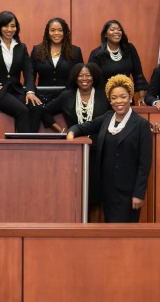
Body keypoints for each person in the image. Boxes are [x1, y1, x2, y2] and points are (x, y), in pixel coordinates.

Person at [67, 74, 152, 223]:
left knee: (125, 233)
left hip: (128, 193)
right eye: (114, 98)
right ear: (110, 100)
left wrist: (139, 194)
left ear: (130, 97)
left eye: (123, 97)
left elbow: (144, 164)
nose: (119, 101)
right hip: (106, 190)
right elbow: (83, 127)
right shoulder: (107, 118)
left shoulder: (141, 124)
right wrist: (71, 132)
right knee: (110, 230)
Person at [43, 62, 110, 221]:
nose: (84, 79)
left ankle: (93, 230)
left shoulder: (104, 95)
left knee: (95, 195)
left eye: (88, 75)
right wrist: (61, 131)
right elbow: (45, 112)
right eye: (80, 75)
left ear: (94, 77)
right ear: (75, 78)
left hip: (99, 150)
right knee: (73, 192)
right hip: (74, 151)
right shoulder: (67, 95)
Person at [87, 19, 148, 104]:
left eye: (119, 30)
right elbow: (91, 79)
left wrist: (142, 97)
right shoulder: (97, 54)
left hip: (125, 99)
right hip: (104, 100)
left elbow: (138, 74)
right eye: (112, 30)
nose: (116, 32)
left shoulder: (129, 49)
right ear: (105, 34)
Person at [31, 18, 83, 103]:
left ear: (65, 32)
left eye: (60, 30)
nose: (56, 33)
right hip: (42, 98)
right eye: (52, 30)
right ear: (47, 32)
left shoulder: (75, 51)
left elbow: (80, 76)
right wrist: (31, 92)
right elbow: (30, 75)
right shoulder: (37, 50)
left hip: (68, 98)